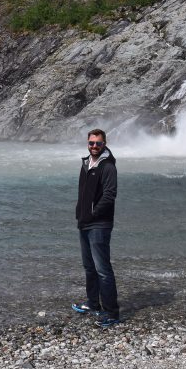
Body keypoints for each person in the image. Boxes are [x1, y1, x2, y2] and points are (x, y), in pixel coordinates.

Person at [71, 128, 120, 327]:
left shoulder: (108, 166)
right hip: (84, 222)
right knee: (89, 267)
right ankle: (93, 304)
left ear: (104, 144)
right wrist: (80, 214)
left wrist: (93, 213)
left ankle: (112, 312)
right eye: (91, 143)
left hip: (99, 224)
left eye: (98, 144)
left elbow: (110, 195)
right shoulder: (86, 163)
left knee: (103, 270)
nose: (94, 146)